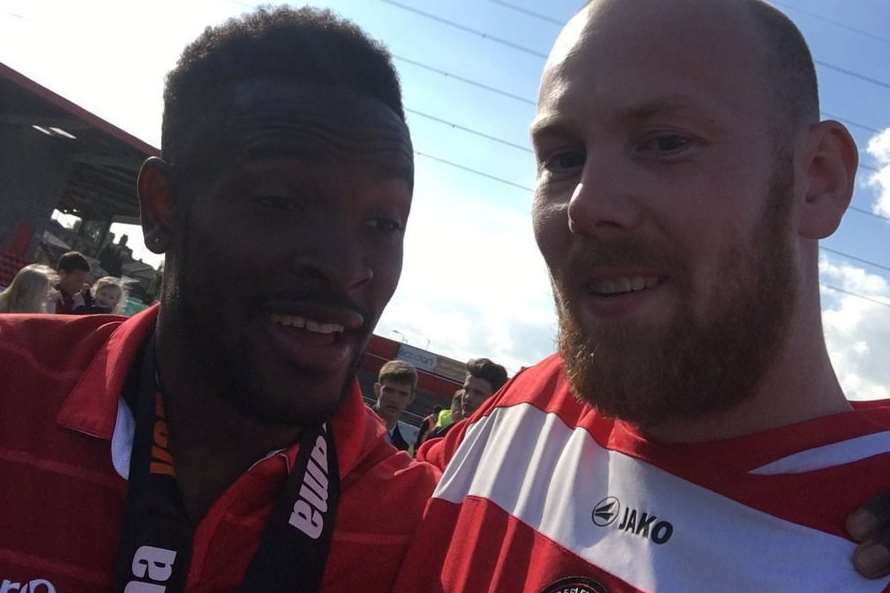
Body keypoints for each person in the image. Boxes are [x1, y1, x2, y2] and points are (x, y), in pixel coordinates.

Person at [392, 1, 890, 591]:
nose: (586, 204)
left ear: (817, 179)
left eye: (665, 142)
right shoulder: (526, 411)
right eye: (563, 158)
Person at [0, 7, 438, 593]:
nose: (345, 269)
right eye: (281, 202)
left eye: (383, 222)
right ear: (162, 209)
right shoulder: (12, 382)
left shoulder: (419, 529)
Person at [424, 357, 508, 442]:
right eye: (466, 389)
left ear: (495, 398)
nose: (467, 397)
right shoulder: (439, 435)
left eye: (478, 393)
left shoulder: (498, 443)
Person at [371, 359, 418, 451]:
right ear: (377, 389)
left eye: (403, 394)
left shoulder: (402, 449)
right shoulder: (355, 424)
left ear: (411, 398)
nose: (395, 399)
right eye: (389, 390)